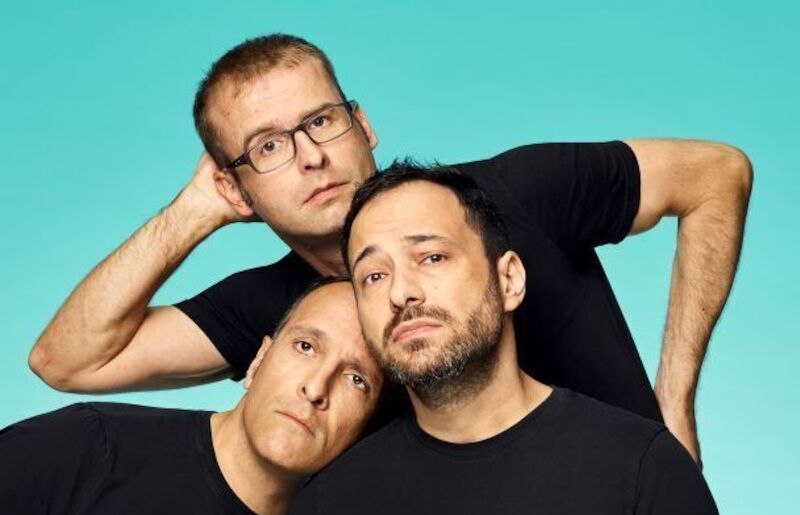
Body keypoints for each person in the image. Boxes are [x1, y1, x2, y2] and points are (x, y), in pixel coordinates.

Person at [29, 34, 753, 463]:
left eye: (320, 120)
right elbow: (67, 359)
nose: (310, 156)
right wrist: (193, 212)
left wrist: (676, 399)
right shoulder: (284, 311)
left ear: (362, 123)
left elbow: (716, 174)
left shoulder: (516, 192)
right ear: (236, 185)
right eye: (269, 147)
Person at [277, 162, 729, 515]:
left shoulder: (644, 470)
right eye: (374, 276)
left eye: (432, 257)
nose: (400, 293)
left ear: (509, 279)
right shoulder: (324, 511)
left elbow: (718, 173)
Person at [1, 279, 384, 515]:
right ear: (257, 362)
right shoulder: (88, 447)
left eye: (357, 379)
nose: (316, 387)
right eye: (305, 347)